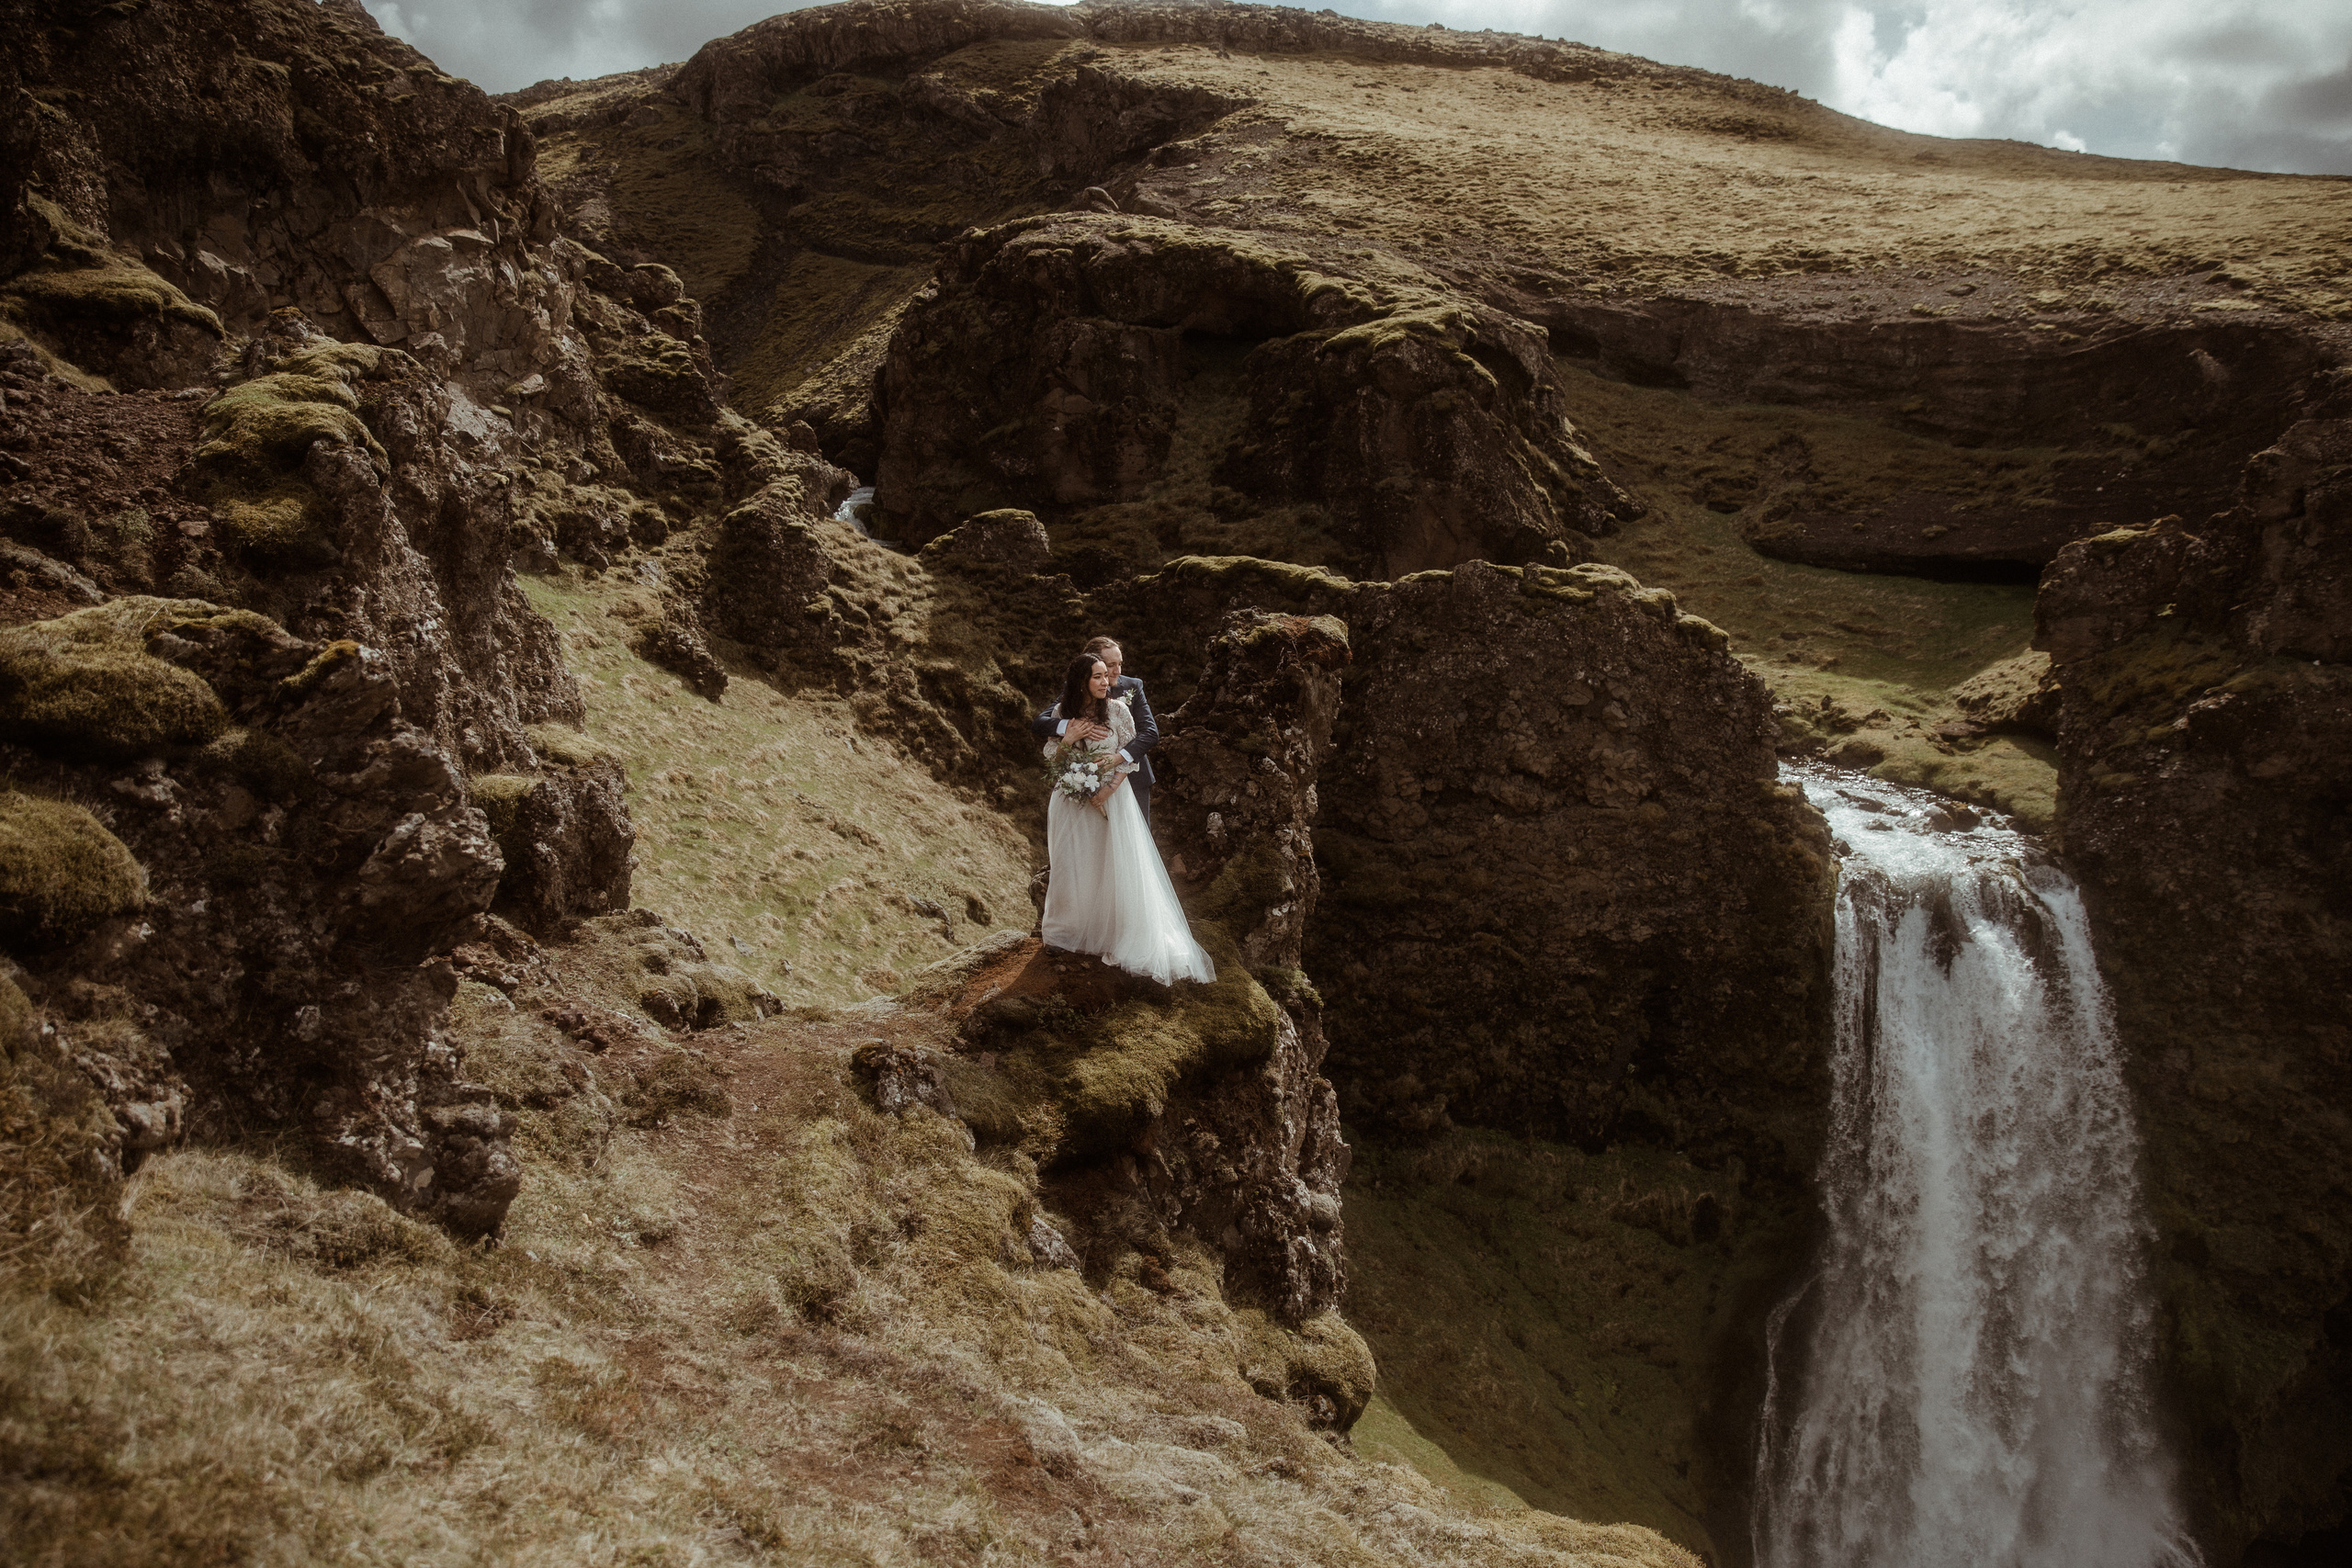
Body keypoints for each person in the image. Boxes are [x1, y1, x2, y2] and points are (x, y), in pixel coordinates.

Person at [1039, 652, 1216, 985]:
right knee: (1072, 863)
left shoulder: (1119, 710)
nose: (1107, 682)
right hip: (1070, 801)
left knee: (1112, 864)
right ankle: (1066, 933)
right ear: (1082, 682)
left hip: (1113, 800)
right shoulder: (1063, 713)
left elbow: (1130, 755)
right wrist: (1069, 739)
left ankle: (1111, 934)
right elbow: (1053, 759)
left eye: (1107, 675)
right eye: (1098, 676)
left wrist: (1108, 789)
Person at [1033, 636, 1159, 829]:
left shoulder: (1133, 686)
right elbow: (1040, 723)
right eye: (1111, 665)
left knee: (1133, 845)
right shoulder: (1078, 689)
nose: (1117, 671)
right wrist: (1072, 726)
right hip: (1086, 783)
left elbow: (1150, 733)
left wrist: (1118, 758)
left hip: (1132, 779)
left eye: (1120, 664)